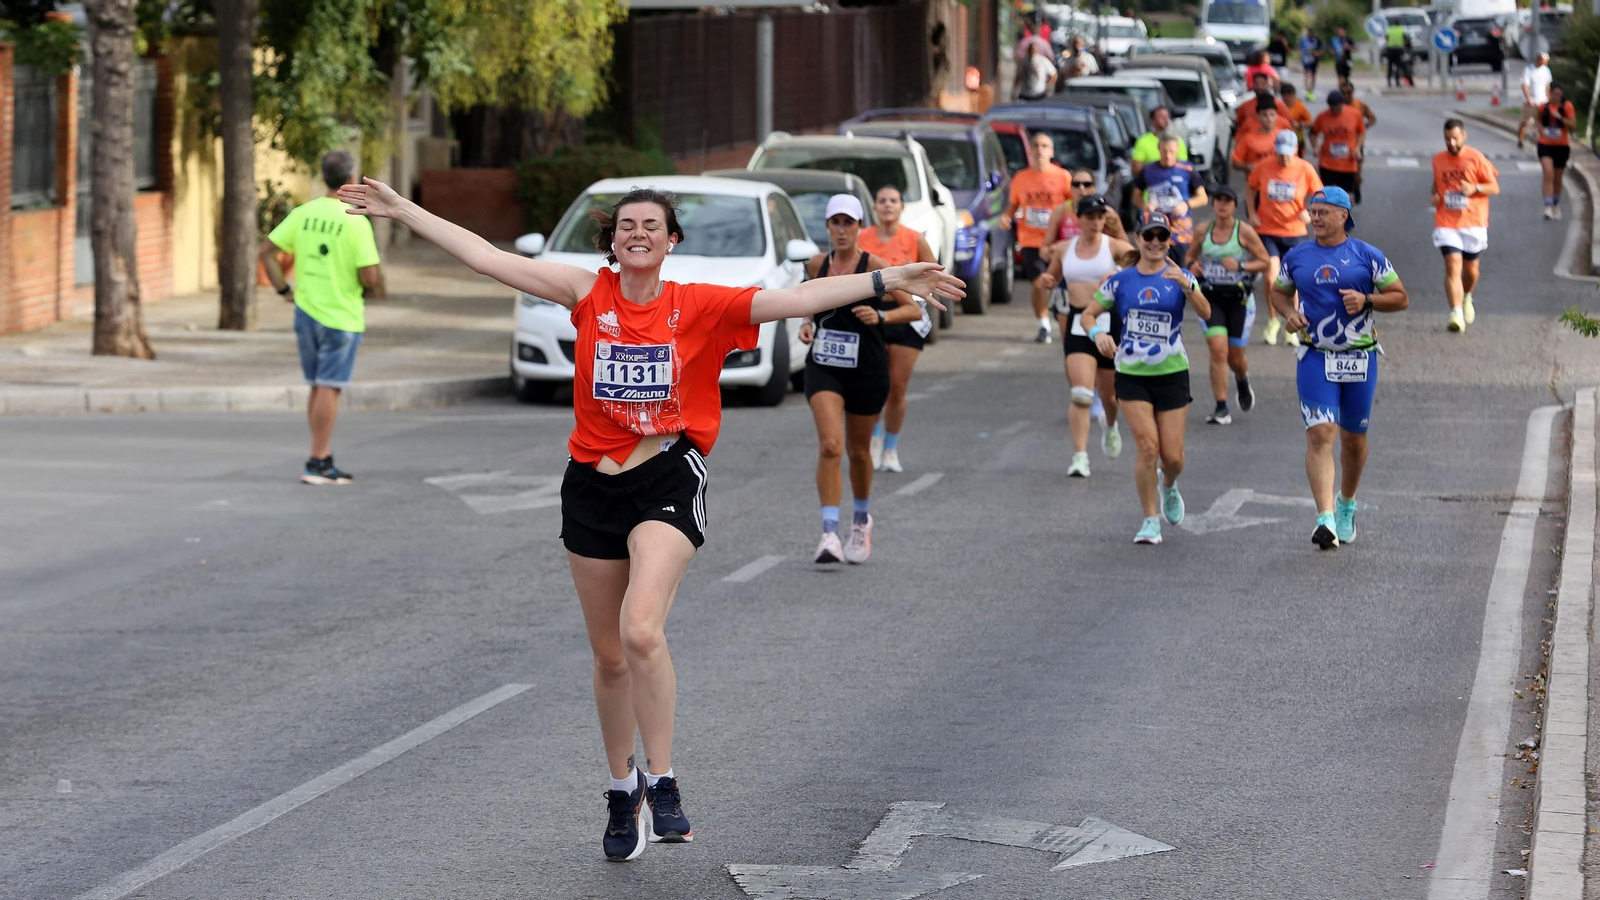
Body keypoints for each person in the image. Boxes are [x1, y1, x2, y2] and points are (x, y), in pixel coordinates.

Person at [332, 177, 961, 861]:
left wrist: (891, 276)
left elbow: (800, 297)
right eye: (627, 225)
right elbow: (486, 257)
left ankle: (663, 780)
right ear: (614, 239)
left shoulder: (701, 307)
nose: (638, 233)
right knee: (608, 658)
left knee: (640, 631)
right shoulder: (585, 294)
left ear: (670, 242)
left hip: (665, 476)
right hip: (590, 487)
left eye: (651, 226)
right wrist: (401, 209)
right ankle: (619, 787)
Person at [1270, 187, 1408, 550]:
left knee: (1354, 441)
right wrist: (1289, 314)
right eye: (1313, 212)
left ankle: (1346, 503)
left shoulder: (1367, 256)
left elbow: (1401, 297)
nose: (1315, 218)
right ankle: (1325, 518)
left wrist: (1368, 299)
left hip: (1360, 358)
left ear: (1343, 215)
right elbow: (1278, 292)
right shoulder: (1298, 257)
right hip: (1316, 356)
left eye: (1323, 213)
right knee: (1320, 433)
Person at [800, 195, 924, 564]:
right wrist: (807, 325)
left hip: (867, 368)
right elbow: (803, 303)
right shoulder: (817, 264)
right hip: (823, 364)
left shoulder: (875, 266)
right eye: (834, 222)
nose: (841, 230)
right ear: (827, 227)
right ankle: (828, 534)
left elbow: (912, 308)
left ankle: (860, 519)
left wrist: (880, 317)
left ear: (859, 227)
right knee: (830, 445)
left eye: (848, 223)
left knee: (857, 452)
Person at [259, 150, 384, 487]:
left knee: (317, 385)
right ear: (351, 179)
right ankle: (317, 460)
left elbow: (266, 253)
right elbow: (370, 277)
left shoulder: (304, 213)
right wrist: (365, 282)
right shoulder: (355, 219)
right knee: (330, 386)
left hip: (306, 311)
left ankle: (322, 454)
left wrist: (283, 289)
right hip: (341, 316)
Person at [1084, 211, 1209, 545]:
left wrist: (1190, 285)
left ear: (1169, 241)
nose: (1155, 243)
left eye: (1162, 237)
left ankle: (1168, 483)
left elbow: (1206, 313)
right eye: (1149, 236)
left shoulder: (1179, 276)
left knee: (1173, 458)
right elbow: (1087, 315)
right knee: (1147, 446)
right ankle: (1149, 520)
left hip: (1171, 373)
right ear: (1138, 240)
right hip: (1132, 374)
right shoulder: (1120, 280)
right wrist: (1097, 333)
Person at [1038, 194, 1133, 477]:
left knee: (1110, 396)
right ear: (1078, 219)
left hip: (1109, 322)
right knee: (1080, 393)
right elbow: (1053, 276)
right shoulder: (1065, 249)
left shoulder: (1112, 245)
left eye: (1100, 217)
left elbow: (1138, 262)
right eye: (1090, 217)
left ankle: (1111, 425)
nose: (1095, 222)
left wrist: (1116, 271)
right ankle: (1080, 456)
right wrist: (1048, 281)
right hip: (1079, 320)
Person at [858, 184, 937, 473]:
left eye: (893, 200)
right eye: (882, 200)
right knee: (875, 383)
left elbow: (934, 275)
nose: (887, 205)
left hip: (907, 314)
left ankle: (890, 448)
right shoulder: (862, 238)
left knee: (897, 388)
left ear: (902, 206)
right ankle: (874, 440)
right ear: (875, 207)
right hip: (871, 312)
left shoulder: (914, 239)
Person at [1185, 185, 1269, 424]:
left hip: (1239, 300)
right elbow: (1190, 256)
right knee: (1217, 349)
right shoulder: (1203, 230)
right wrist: (1193, 266)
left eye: (1227, 201)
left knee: (1235, 358)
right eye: (1218, 200)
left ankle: (1242, 380)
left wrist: (1241, 266)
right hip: (1211, 298)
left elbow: (1264, 261)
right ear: (1213, 205)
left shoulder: (1244, 232)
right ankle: (1221, 406)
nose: (1222, 205)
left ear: (1234, 205)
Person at [1246, 130, 1323, 347]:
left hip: (1295, 232)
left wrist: (1310, 213)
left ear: (1295, 151)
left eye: (1288, 154)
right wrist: (1252, 212)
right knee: (1271, 277)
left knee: (1294, 281)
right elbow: (1251, 188)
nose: (1284, 158)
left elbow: (1320, 195)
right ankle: (1273, 320)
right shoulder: (1264, 166)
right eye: (1280, 153)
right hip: (1268, 230)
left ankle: (1292, 322)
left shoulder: (1305, 169)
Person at [1003, 132, 1076, 342]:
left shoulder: (1062, 177)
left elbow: (1074, 205)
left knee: (1060, 283)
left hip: (1058, 241)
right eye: (1035, 145)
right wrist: (1006, 217)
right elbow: (1013, 204)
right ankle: (1043, 324)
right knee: (1037, 284)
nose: (1040, 150)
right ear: (1030, 151)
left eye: (1044, 146)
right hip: (1030, 240)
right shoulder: (1021, 178)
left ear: (1051, 151)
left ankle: (1060, 308)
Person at [1432, 119, 1500, 333]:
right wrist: (1434, 195)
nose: (1451, 143)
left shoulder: (1476, 158)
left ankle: (1467, 297)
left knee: (1471, 271)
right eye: (1447, 139)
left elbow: (1494, 188)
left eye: (1455, 138)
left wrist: (1475, 187)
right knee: (1453, 264)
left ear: (1464, 136)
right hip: (1446, 221)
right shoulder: (1438, 160)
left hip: (1474, 221)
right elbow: (1436, 184)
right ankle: (1456, 313)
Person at [1132, 135, 1208, 262]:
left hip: (1180, 233)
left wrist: (1187, 204)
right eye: (1164, 151)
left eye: (1172, 151)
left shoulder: (1187, 169)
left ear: (1177, 149)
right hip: (1155, 232)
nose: (1168, 155)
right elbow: (1136, 196)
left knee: (1180, 271)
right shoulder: (1148, 170)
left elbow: (1203, 198)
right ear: (1158, 148)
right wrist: (1145, 206)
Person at [1309, 90, 1366, 198]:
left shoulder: (1354, 114)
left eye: (1337, 106)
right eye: (1332, 107)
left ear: (1342, 104)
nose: (1335, 110)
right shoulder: (1323, 116)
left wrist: (1358, 148)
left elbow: (1362, 131)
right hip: (1327, 162)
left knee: (1347, 195)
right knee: (1327, 194)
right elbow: (1313, 133)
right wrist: (1315, 147)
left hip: (1348, 163)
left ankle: (1346, 214)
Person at [1536, 84, 1577, 221]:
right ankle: (1548, 206)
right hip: (1545, 144)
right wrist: (1540, 129)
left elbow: (1573, 125)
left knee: (1558, 177)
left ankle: (1555, 204)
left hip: (1561, 146)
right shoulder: (1543, 107)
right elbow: (1539, 120)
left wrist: (1560, 118)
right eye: (1555, 94)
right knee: (1548, 173)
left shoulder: (1567, 106)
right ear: (1550, 93)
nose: (1557, 97)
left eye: (1559, 95)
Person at [1232, 94, 1296, 176]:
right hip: (1257, 182)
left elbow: (1295, 159)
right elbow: (1235, 162)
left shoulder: (1284, 136)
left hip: (1281, 179)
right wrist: (1249, 166)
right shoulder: (1248, 138)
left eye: (1272, 114)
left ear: (1277, 116)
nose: (1269, 118)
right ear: (1258, 117)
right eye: (1265, 115)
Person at [1131, 106, 1190, 177]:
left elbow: (1183, 166)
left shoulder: (1177, 140)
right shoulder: (1143, 141)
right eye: (1161, 117)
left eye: (1167, 117)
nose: (1166, 120)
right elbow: (1136, 169)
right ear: (1153, 121)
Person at [1519, 52, 1553, 149]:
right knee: (1526, 121)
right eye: (1543, 61)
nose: (1544, 64)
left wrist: (1549, 98)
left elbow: (1547, 85)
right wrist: (1528, 98)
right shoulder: (1529, 70)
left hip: (1542, 100)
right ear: (1538, 60)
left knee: (1541, 121)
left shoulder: (1546, 70)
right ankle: (1520, 139)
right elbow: (1525, 85)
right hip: (1531, 100)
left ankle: (1540, 140)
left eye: (1546, 62)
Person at [1279, 82, 1313, 153]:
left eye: (1289, 95)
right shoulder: (1278, 107)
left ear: (1294, 95)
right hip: (1282, 138)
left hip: (1298, 137)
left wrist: (1300, 124)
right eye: (1284, 95)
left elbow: (1310, 122)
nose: (1287, 97)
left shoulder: (1300, 106)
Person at [1298, 26, 1323, 98]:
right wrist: (1301, 54)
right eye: (1310, 32)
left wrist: (1317, 53)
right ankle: (1307, 90)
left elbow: (1321, 49)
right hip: (1306, 59)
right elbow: (1299, 47)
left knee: (1313, 76)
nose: (1311, 34)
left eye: (1312, 32)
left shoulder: (1317, 40)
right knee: (1307, 74)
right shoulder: (1303, 39)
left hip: (1314, 60)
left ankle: (1311, 90)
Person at [1385, 19, 1408, 87]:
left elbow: (1386, 38)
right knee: (1398, 66)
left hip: (1390, 50)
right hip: (1399, 50)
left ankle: (1389, 81)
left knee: (1389, 66)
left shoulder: (1389, 29)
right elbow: (1405, 39)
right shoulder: (1401, 29)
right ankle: (1397, 82)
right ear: (1399, 23)